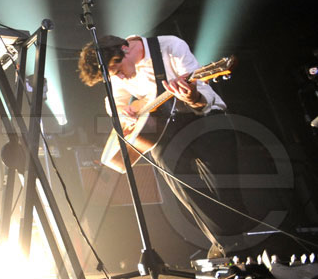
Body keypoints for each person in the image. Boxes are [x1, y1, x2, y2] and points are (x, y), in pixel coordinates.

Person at [77, 34, 244, 259]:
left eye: (119, 71)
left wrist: (192, 96)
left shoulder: (170, 46)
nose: (121, 77)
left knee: (224, 187)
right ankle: (227, 246)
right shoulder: (114, 67)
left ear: (125, 50)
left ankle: (236, 246)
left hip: (204, 117)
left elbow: (202, 91)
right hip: (163, 130)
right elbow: (113, 101)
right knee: (185, 188)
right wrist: (123, 113)